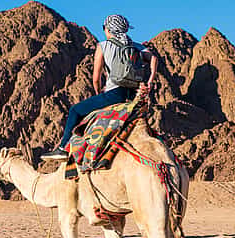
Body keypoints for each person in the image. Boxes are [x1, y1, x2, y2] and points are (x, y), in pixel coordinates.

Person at [41, 14, 158, 160]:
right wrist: (150, 80)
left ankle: (63, 148)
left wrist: (98, 92)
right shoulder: (135, 46)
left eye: (104, 28)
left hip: (114, 94)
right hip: (133, 96)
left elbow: (96, 78)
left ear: (108, 29)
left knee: (75, 110)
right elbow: (153, 58)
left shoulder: (103, 46)